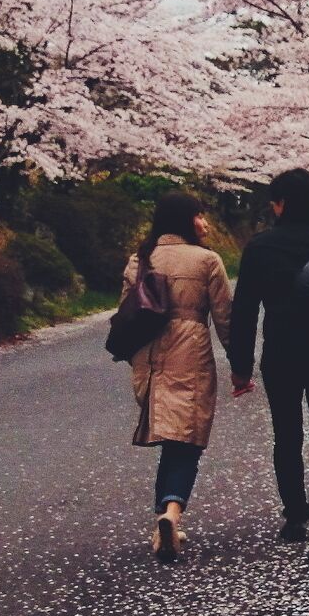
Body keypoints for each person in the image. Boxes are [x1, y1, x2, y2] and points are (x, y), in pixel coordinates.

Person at [227, 168, 309, 551]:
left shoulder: (260, 247)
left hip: (281, 354)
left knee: (287, 435)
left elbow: (245, 311)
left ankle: (294, 514)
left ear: (282, 203)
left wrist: (241, 366)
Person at [121, 191, 236, 563]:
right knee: (186, 440)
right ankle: (171, 512)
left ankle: (163, 523)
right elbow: (225, 319)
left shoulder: (140, 258)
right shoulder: (207, 261)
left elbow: (125, 313)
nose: (205, 223)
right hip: (191, 348)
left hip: (149, 352)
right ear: (186, 219)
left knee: (171, 439)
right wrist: (241, 365)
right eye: (200, 215)